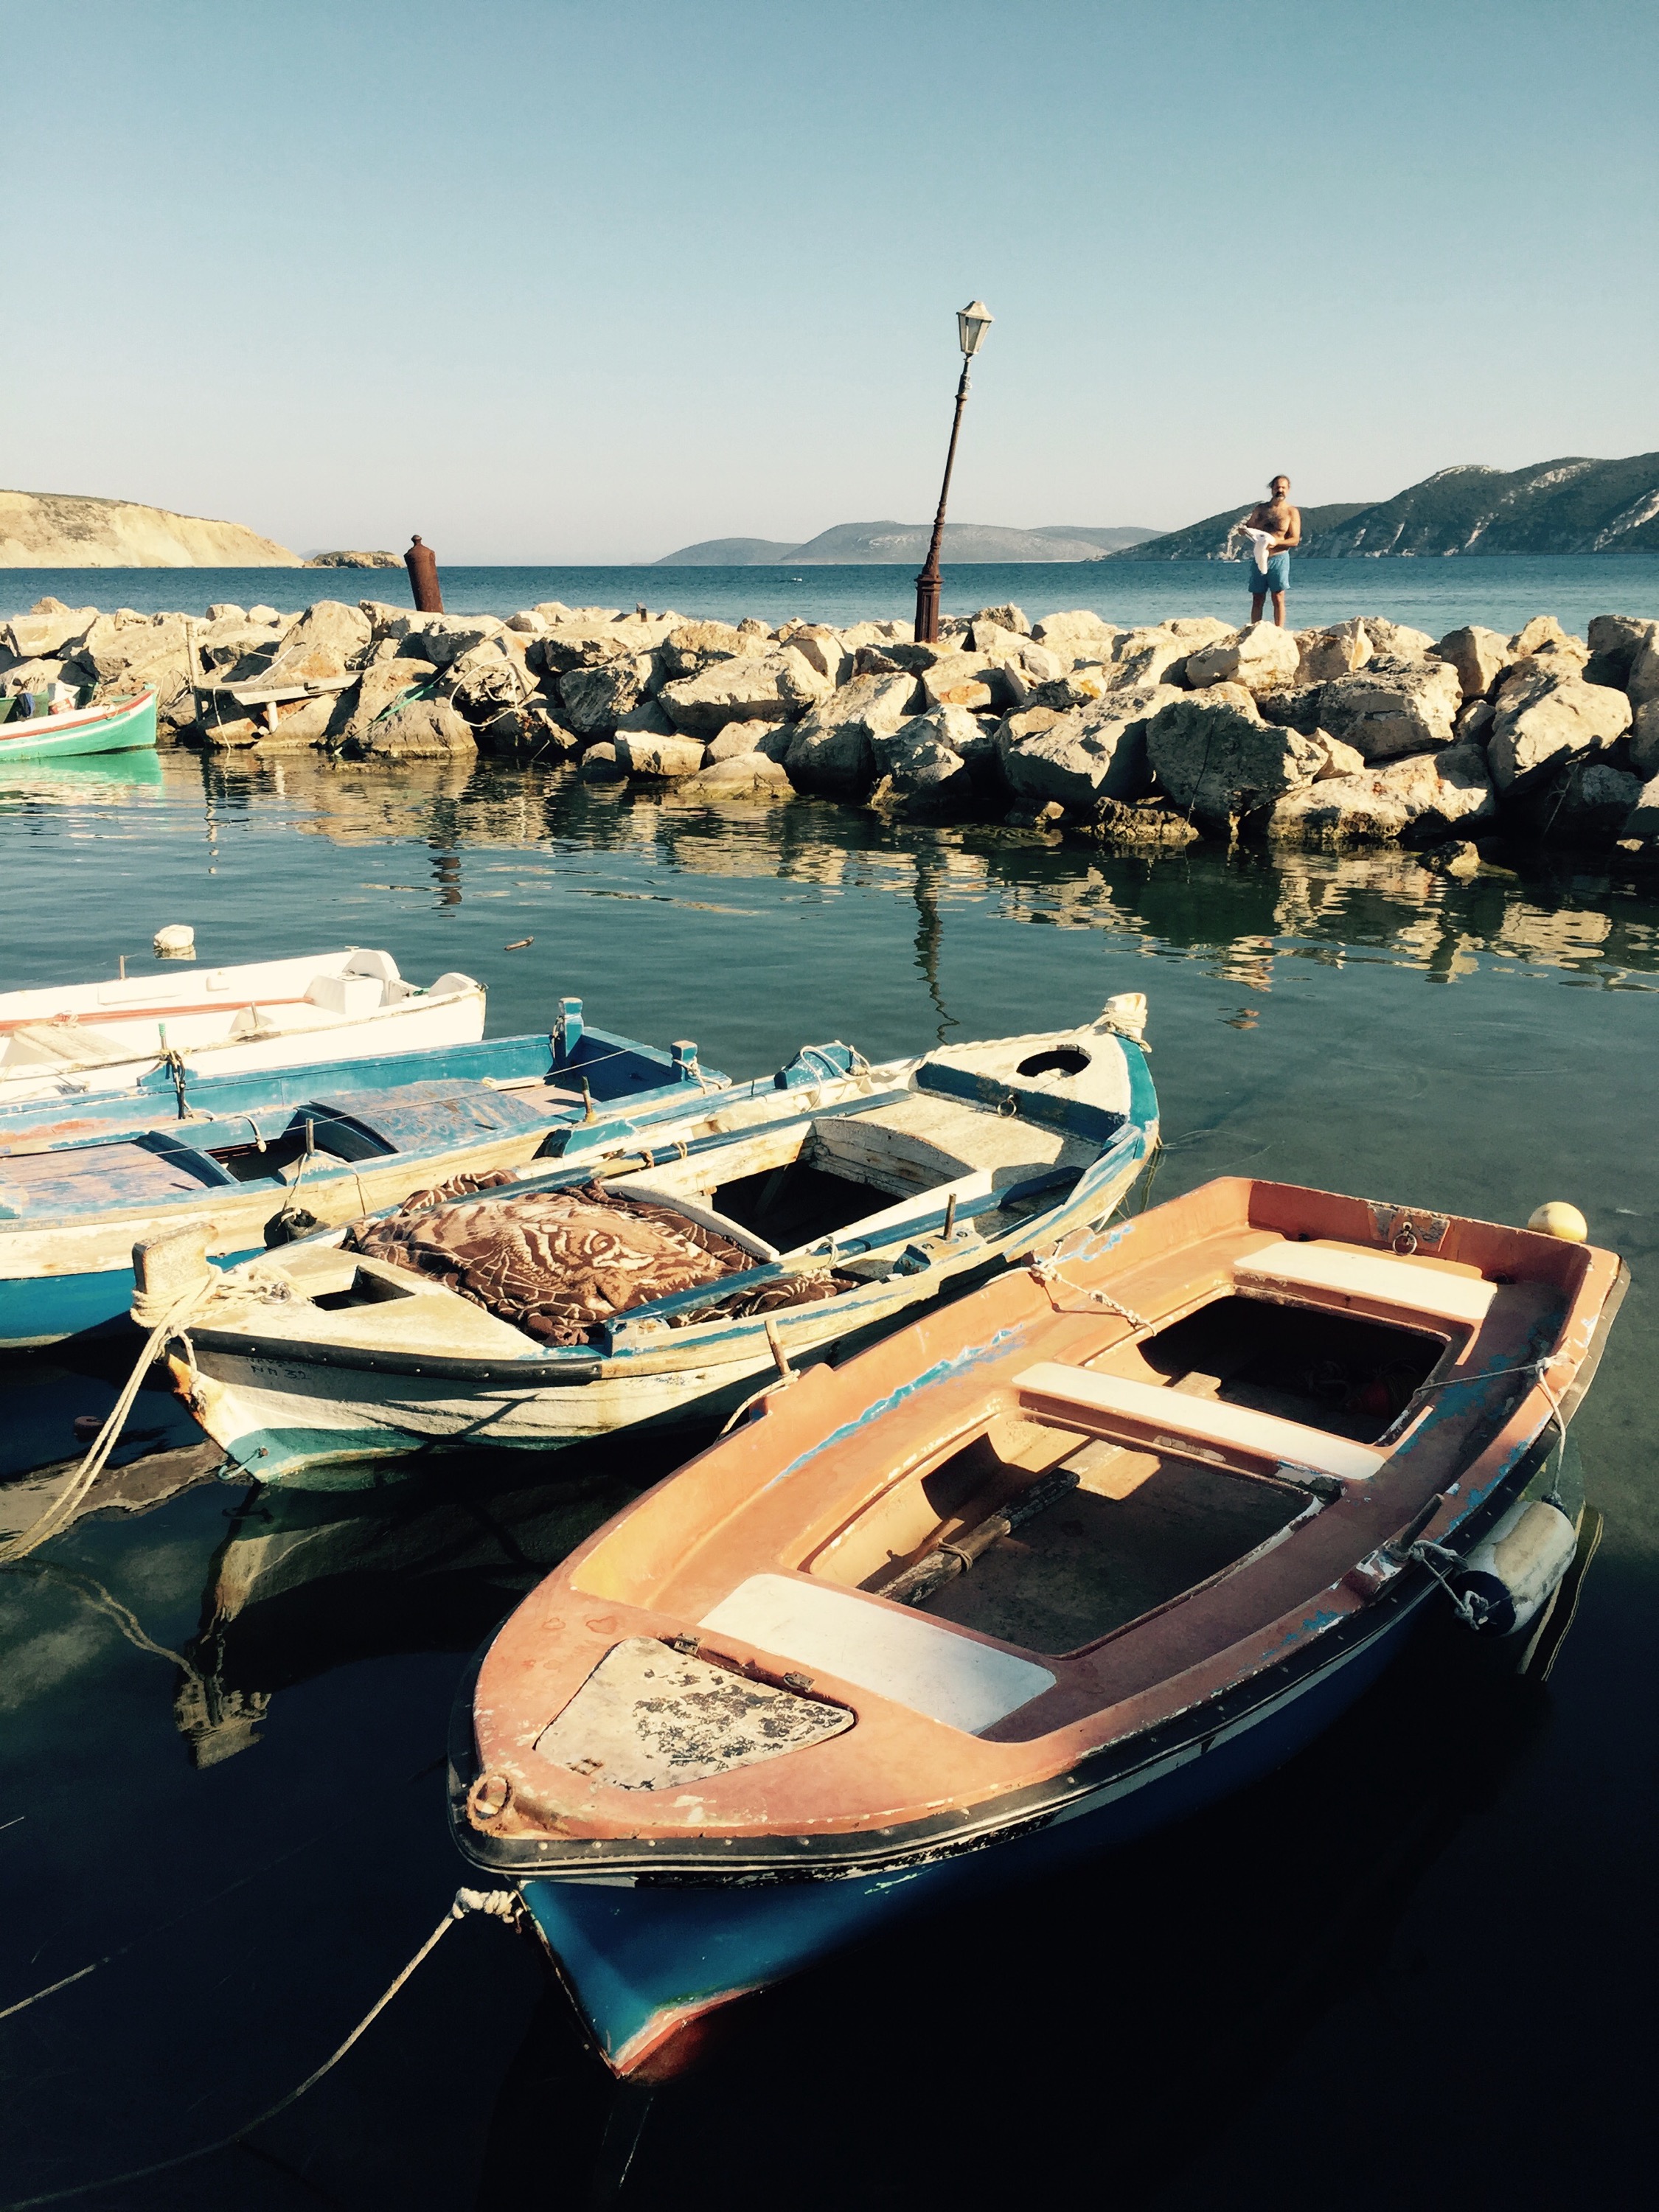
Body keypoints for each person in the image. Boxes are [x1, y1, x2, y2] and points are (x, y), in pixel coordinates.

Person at [1233, 474, 1301, 627]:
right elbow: (1249, 527)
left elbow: (1295, 539)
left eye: (1283, 487)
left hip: (1279, 557)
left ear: (1288, 489)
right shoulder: (1261, 509)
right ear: (1272, 489)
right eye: (1277, 487)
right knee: (1257, 597)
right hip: (1260, 557)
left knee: (1278, 596)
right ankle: (1254, 629)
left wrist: (1276, 542)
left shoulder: (1291, 512)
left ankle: (1279, 631)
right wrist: (1243, 531)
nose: (1280, 490)